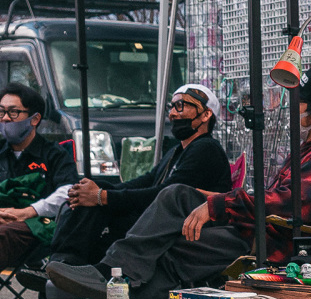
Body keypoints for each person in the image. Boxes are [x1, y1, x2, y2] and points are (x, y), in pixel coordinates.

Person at [48, 66, 311, 299]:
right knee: (176, 195)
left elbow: (291, 205)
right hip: (261, 230)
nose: (290, 107)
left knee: (175, 250)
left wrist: (218, 204)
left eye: (298, 102)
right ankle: (110, 281)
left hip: (281, 246)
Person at [46, 84, 233, 269]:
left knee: (98, 205)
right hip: (158, 219)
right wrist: (95, 191)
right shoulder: (178, 151)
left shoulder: (206, 149)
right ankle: (62, 266)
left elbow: (165, 196)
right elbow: (146, 180)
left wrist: (102, 197)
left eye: (180, 106)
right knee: (94, 193)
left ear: (206, 114)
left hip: (180, 225)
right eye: (171, 107)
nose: (173, 114)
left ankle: (64, 265)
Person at [0, 83, 77, 268]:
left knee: (4, 234)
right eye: (1, 112)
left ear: (34, 119)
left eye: (13, 112)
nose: (5, 119)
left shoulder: (54, 154)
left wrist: (29, 211)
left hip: (37, 226)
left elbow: (69, 191)